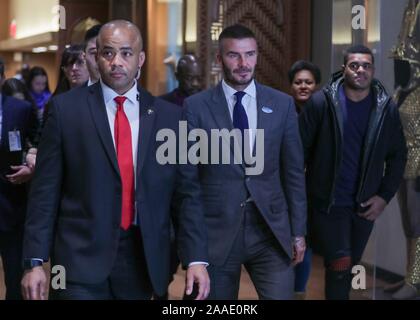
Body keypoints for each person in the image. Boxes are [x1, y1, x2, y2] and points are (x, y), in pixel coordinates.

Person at [21, 20, 209, 300]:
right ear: (96, 57)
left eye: (126, 53)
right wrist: (34, 262)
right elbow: (45, 192)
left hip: (143, 260)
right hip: (74, 261)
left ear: (140, 59)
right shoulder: (65, 110)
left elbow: (187, 195)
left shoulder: (169, 117)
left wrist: (196, 259)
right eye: (107, 53)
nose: (116, 62)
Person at [183, 24, 307, 300]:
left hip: (270, 231)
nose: (243, 64)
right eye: (234, 56)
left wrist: (298, 231)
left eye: (249, 54)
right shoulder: (196, 108)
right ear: (219, 59)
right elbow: (188, 182)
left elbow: (294, 174)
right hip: (217, 232)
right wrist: (193, 250)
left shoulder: (282, 105)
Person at [299, 45, 407, 300]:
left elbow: (398, 156)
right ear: (343, 69)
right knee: (340, 265)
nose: (360, 70)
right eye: (354, 65)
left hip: (364, 206)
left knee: (345, 270)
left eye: (366, 66)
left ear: (372, 70)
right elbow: (297, 154)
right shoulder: (321, 103)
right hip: (329, 204)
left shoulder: (385, 109)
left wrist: (384, 196)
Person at [388, 0, 420, 300]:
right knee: (408, 224)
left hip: (419, 166)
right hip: (403, 165)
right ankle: (408, 274)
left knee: (419, 223)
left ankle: (416, 281)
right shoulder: (401, 93)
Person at [0, 58, 38, 300]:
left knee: (15, 278)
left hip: (11, 203)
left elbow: (37, 142)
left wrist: (32, 162)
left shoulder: (19, 109)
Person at [288, 60, 321, 299]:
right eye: (298, 82)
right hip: (286, 188)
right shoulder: (283, 111)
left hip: (313, 190)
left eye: (308, 82)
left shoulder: (325, 112)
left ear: (316, 85)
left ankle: (299, 292)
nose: (303, 86)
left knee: (304, 240)